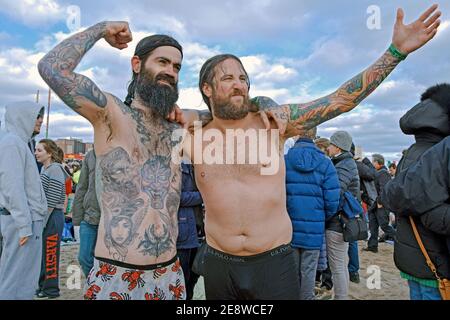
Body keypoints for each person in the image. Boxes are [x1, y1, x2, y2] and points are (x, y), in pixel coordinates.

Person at [183, 5, 440, 300]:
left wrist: (394, 52)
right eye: (227, 79)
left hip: (273, 259)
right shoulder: (194, 132)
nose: (239, 84)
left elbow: (341, 100)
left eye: (243, 78)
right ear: (207, 88)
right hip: (220, 262)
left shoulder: (274, 123)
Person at [381, 83, 450, 300]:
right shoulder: (438, 154)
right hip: (436, 261)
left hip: (413, 257)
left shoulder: (411, 153)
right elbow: (430, 214)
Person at [0, 101, 48, 300]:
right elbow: (12, 187)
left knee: (23, 277)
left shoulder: (19, 142)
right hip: (22, 221)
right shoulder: (12, 143)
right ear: (23, 116)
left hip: (25, 219)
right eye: (37, 116)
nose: (40, 122)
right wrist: (24, 226)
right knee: (17, 279)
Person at [285, 127, 340, 299]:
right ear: (314, 136)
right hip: (314, 226)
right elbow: (332, 200)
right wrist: (321, 216)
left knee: (291, 271)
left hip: (289, 224)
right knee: (309, 271)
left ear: (297, 134)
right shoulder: (325, 163)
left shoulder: (284, 161)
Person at [326, 131, 360, 299]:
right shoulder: (344, 162)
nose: (328, 147)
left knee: (338, 266)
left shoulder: (345, 164)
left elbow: (336, 193)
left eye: (331, 144)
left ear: (337, 146)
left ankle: (341, 297)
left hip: (338, 222)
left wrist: (328, 214)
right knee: (340, 265)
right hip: (341, 221)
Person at [34, 139, 69, 299]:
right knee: (43, 254)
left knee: (50, 254)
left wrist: (43, 221)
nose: (36, 153)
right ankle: (42, 285)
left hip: (52, 216)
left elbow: (53, 198)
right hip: (47, 215)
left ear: (49, 153)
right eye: (35, 150)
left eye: (39, 150)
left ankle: (51, 290)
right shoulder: (45, 169)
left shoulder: (54, 169)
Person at [176, 159, 203, 300]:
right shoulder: (177, 166)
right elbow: (175, 197)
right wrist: (203, 196)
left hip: (199, 233)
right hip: (184, 233)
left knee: (193, 279)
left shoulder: (199, 166)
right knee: (183, 280)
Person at [72, 149, 101, 277]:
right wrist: (77, 219)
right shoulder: (90, 155)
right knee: (84, 257)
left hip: (111, 221)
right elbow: (81, 188)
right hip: (89, 218)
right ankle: (94, 285)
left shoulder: (119, 151)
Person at [364, 154, 397, 252]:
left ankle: (400, 241)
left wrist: (380, 202)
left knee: (384, 225)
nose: (372, 163)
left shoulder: (383, 173)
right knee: (373, 225)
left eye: (373, 162)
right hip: (375, 204)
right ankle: (372, 246)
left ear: (378, 163)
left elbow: (384, 188)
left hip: (380, 204)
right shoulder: (380, 172)